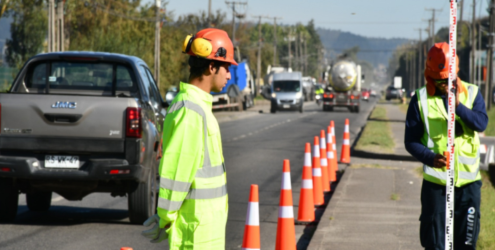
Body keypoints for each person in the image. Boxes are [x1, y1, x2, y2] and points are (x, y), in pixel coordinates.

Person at [141, 28, 236, 249]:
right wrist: (164, 218)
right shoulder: (190, 111)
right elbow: (177, 172)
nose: (229, 75)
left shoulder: (198, 108)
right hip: (195, 234)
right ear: (212, 67)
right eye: (227, 67)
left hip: (205, 230)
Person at [404, 42, 488, 250]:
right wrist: (430, 158)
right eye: (438, 80)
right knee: (435, 244)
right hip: (437, 186)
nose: (443, 85)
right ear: (429, 75)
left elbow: (481, 123)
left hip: (468, 186)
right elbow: (411, 141)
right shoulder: (419, 99)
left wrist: (457, 107)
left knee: (466, 244)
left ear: (455, 74)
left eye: (447, 80)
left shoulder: (472, 93)